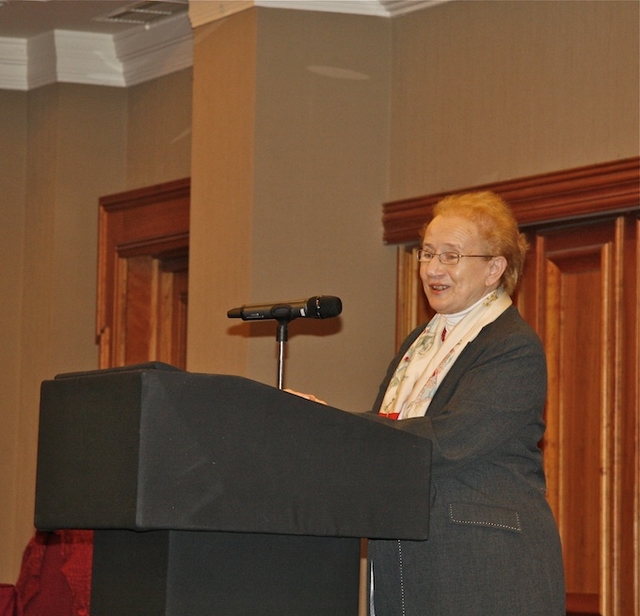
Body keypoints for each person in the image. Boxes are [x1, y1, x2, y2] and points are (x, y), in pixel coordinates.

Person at [364, 191, 565, 615]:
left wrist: (335, 429)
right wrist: (321, 425)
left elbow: (443, 443)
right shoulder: (418, 343)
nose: (433, 269)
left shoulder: (512, 347)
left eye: (451, 256)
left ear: (495, 269)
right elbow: (388, 425)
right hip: (413, 555)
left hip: (485, 564)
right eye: (427, 253)